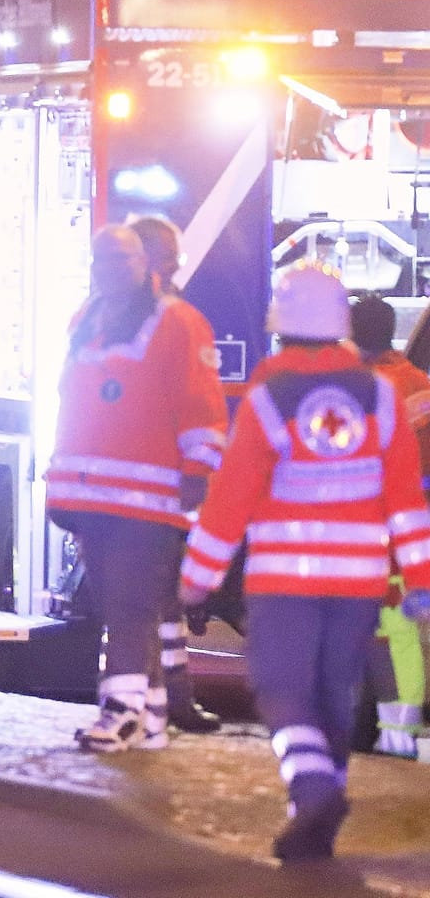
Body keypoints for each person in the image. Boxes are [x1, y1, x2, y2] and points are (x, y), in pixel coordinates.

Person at [181, 263, 430, 862]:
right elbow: (405, 500)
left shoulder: (270, 396)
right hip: (359, 582)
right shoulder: (380, 398)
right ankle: (316, 815)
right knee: (331, 694)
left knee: (282, 690)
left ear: (281, 326)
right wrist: (420, 582)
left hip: (284, 581)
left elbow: (231, 497)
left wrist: (196, 580)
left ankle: (313, 789)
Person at [47, 225, 227, 751]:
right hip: (93, 497)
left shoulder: (179, 322)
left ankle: (122, 712)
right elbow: (72, 405)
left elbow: (200, 404)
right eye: (100, 260)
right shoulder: (86, 320)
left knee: (129, 606)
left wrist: (198, 471)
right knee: (124, 606)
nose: (107, 270)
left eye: (118, 260)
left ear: (140, 263)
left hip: (149, 500)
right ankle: (150, 718)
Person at [126, 215, 226, 734]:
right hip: (151, 488)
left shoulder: (108, 316)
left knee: (156, 605)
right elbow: (202, 408)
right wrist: (198, 477)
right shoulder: (175, 320)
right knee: (151, 604)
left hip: (136, 490)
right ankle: (157, 704)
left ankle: (162, 701)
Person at [350, 293, 430, 758]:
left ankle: (392, 735)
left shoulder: (361, 387)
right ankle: (394, 731)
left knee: (386, 636)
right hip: (410, 529)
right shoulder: (417, 382)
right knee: (398, 634)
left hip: (374, 529)